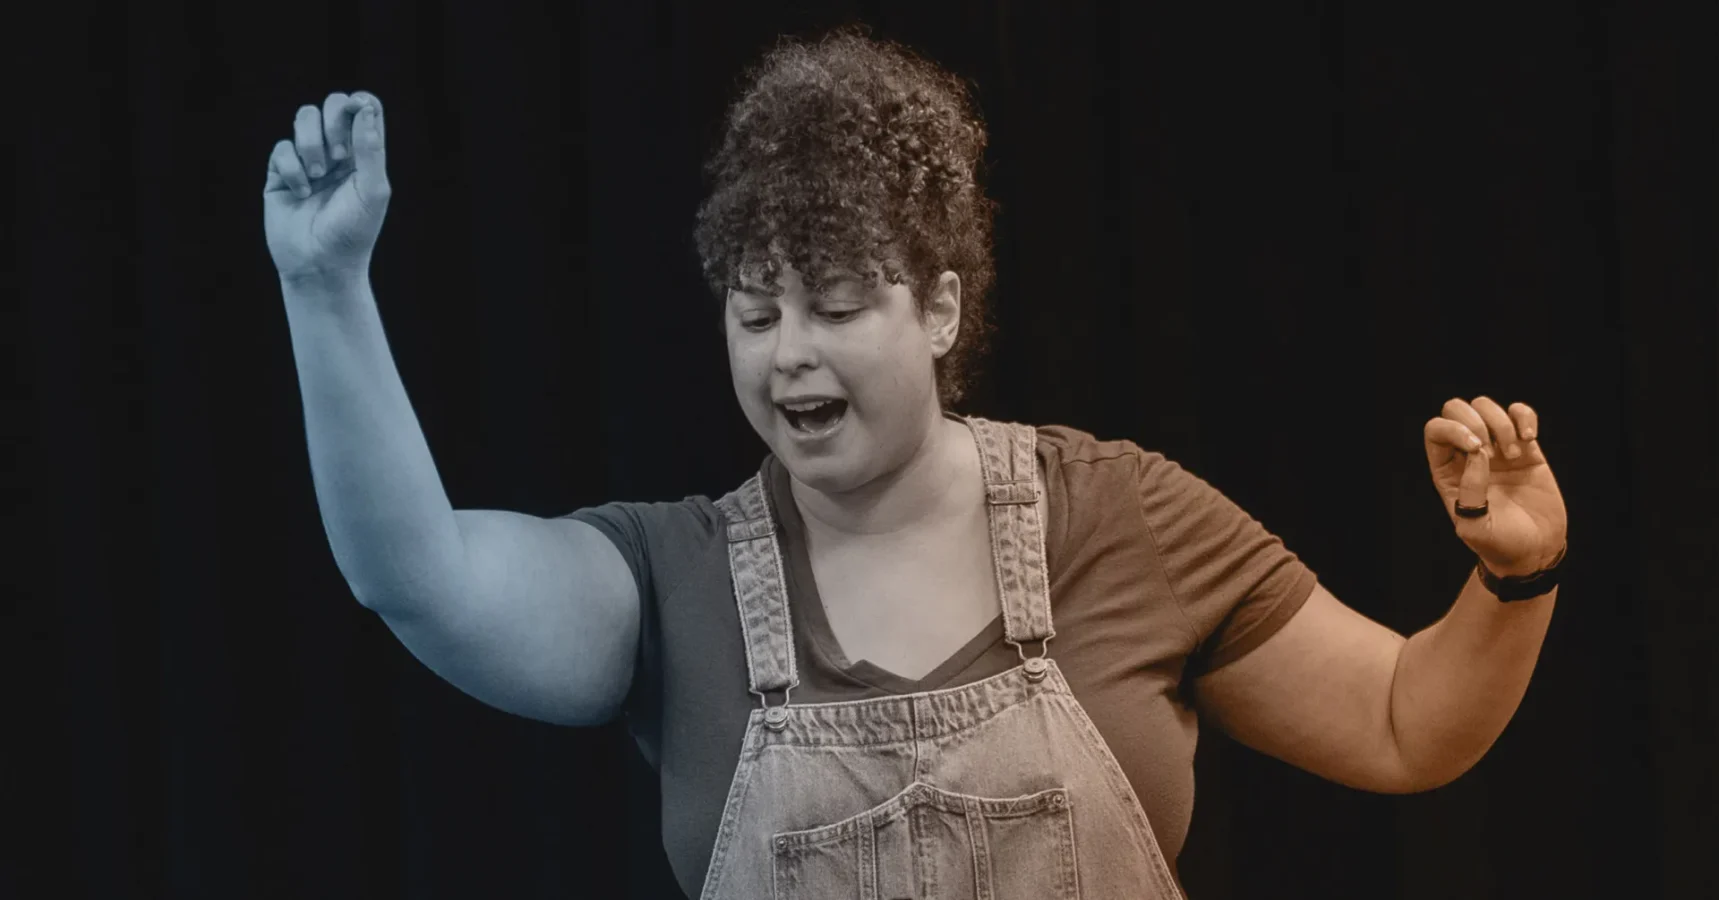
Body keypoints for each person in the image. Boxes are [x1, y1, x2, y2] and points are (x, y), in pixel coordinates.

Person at [264, 27, 1570, 900]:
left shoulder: (1118, 517)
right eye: (756, 309)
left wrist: (1517, 581)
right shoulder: (675, 581)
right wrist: (324, 289)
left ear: (939, 312)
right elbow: (419, 574)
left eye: (836, 307)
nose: (789, 356)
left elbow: (1405, 725)